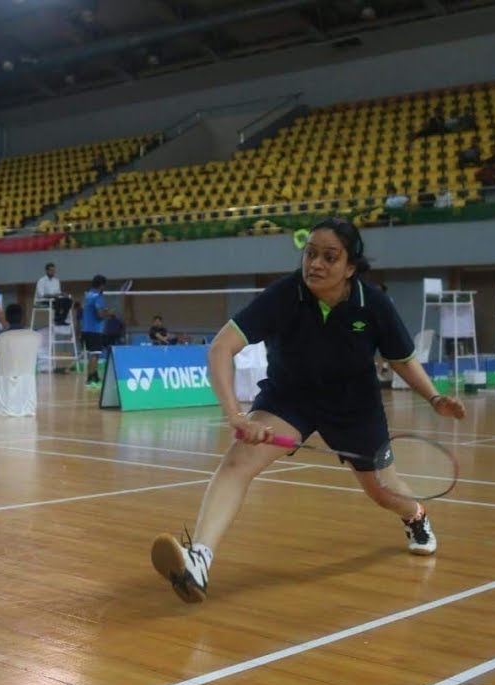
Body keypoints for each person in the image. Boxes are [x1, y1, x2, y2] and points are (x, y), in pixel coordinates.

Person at [149, 218, 466, 604]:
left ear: (350, 267)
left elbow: (401, 360)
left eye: (329, 257)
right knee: (237, 463)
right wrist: (237, 415)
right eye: (310, 254)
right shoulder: (285, 295)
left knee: (382, 491)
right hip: (290, 398)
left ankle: (415, 515)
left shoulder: (374, 305)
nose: (315, 264)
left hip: (354, 407)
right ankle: (199, 559)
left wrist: (435, 398)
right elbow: (220, 348)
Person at [81, 274, 114, 388]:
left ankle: (94, 376)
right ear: (102, 285)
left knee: (94, 354)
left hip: (85, 329)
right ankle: (90, 380)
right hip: (94, 330)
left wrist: (104, 311)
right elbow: (99, 315)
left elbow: (92, 310)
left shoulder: (88, 295)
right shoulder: (98, 297)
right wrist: (109, 314)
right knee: (95, 355)